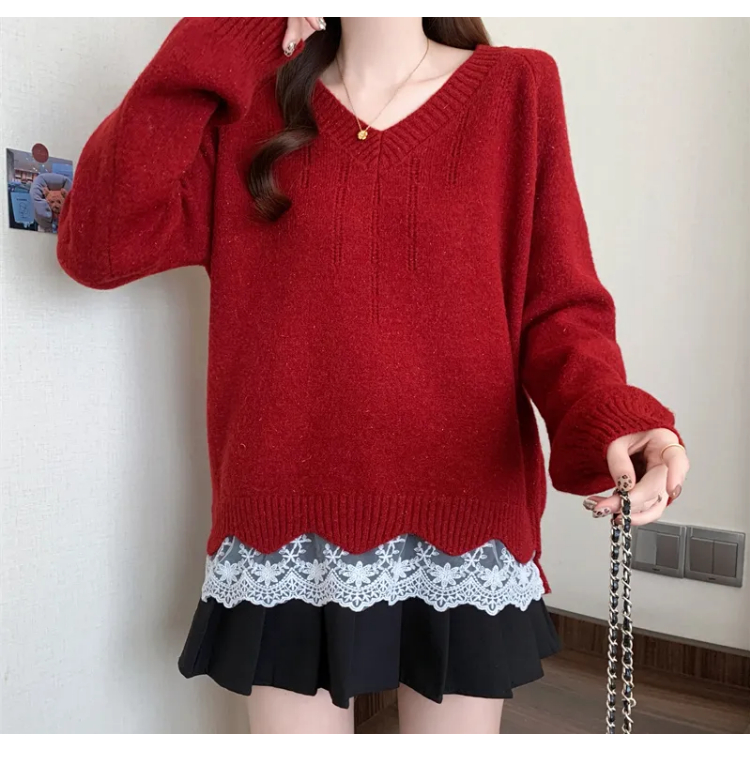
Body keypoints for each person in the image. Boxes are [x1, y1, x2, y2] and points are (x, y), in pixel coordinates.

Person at [57, 17, 689, 734]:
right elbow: (97, 246)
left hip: (463, 519)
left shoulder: (516, 89)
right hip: (285, 524)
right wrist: (233, 29)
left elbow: (556, 307)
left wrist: (610, 414)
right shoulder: (249, 102)